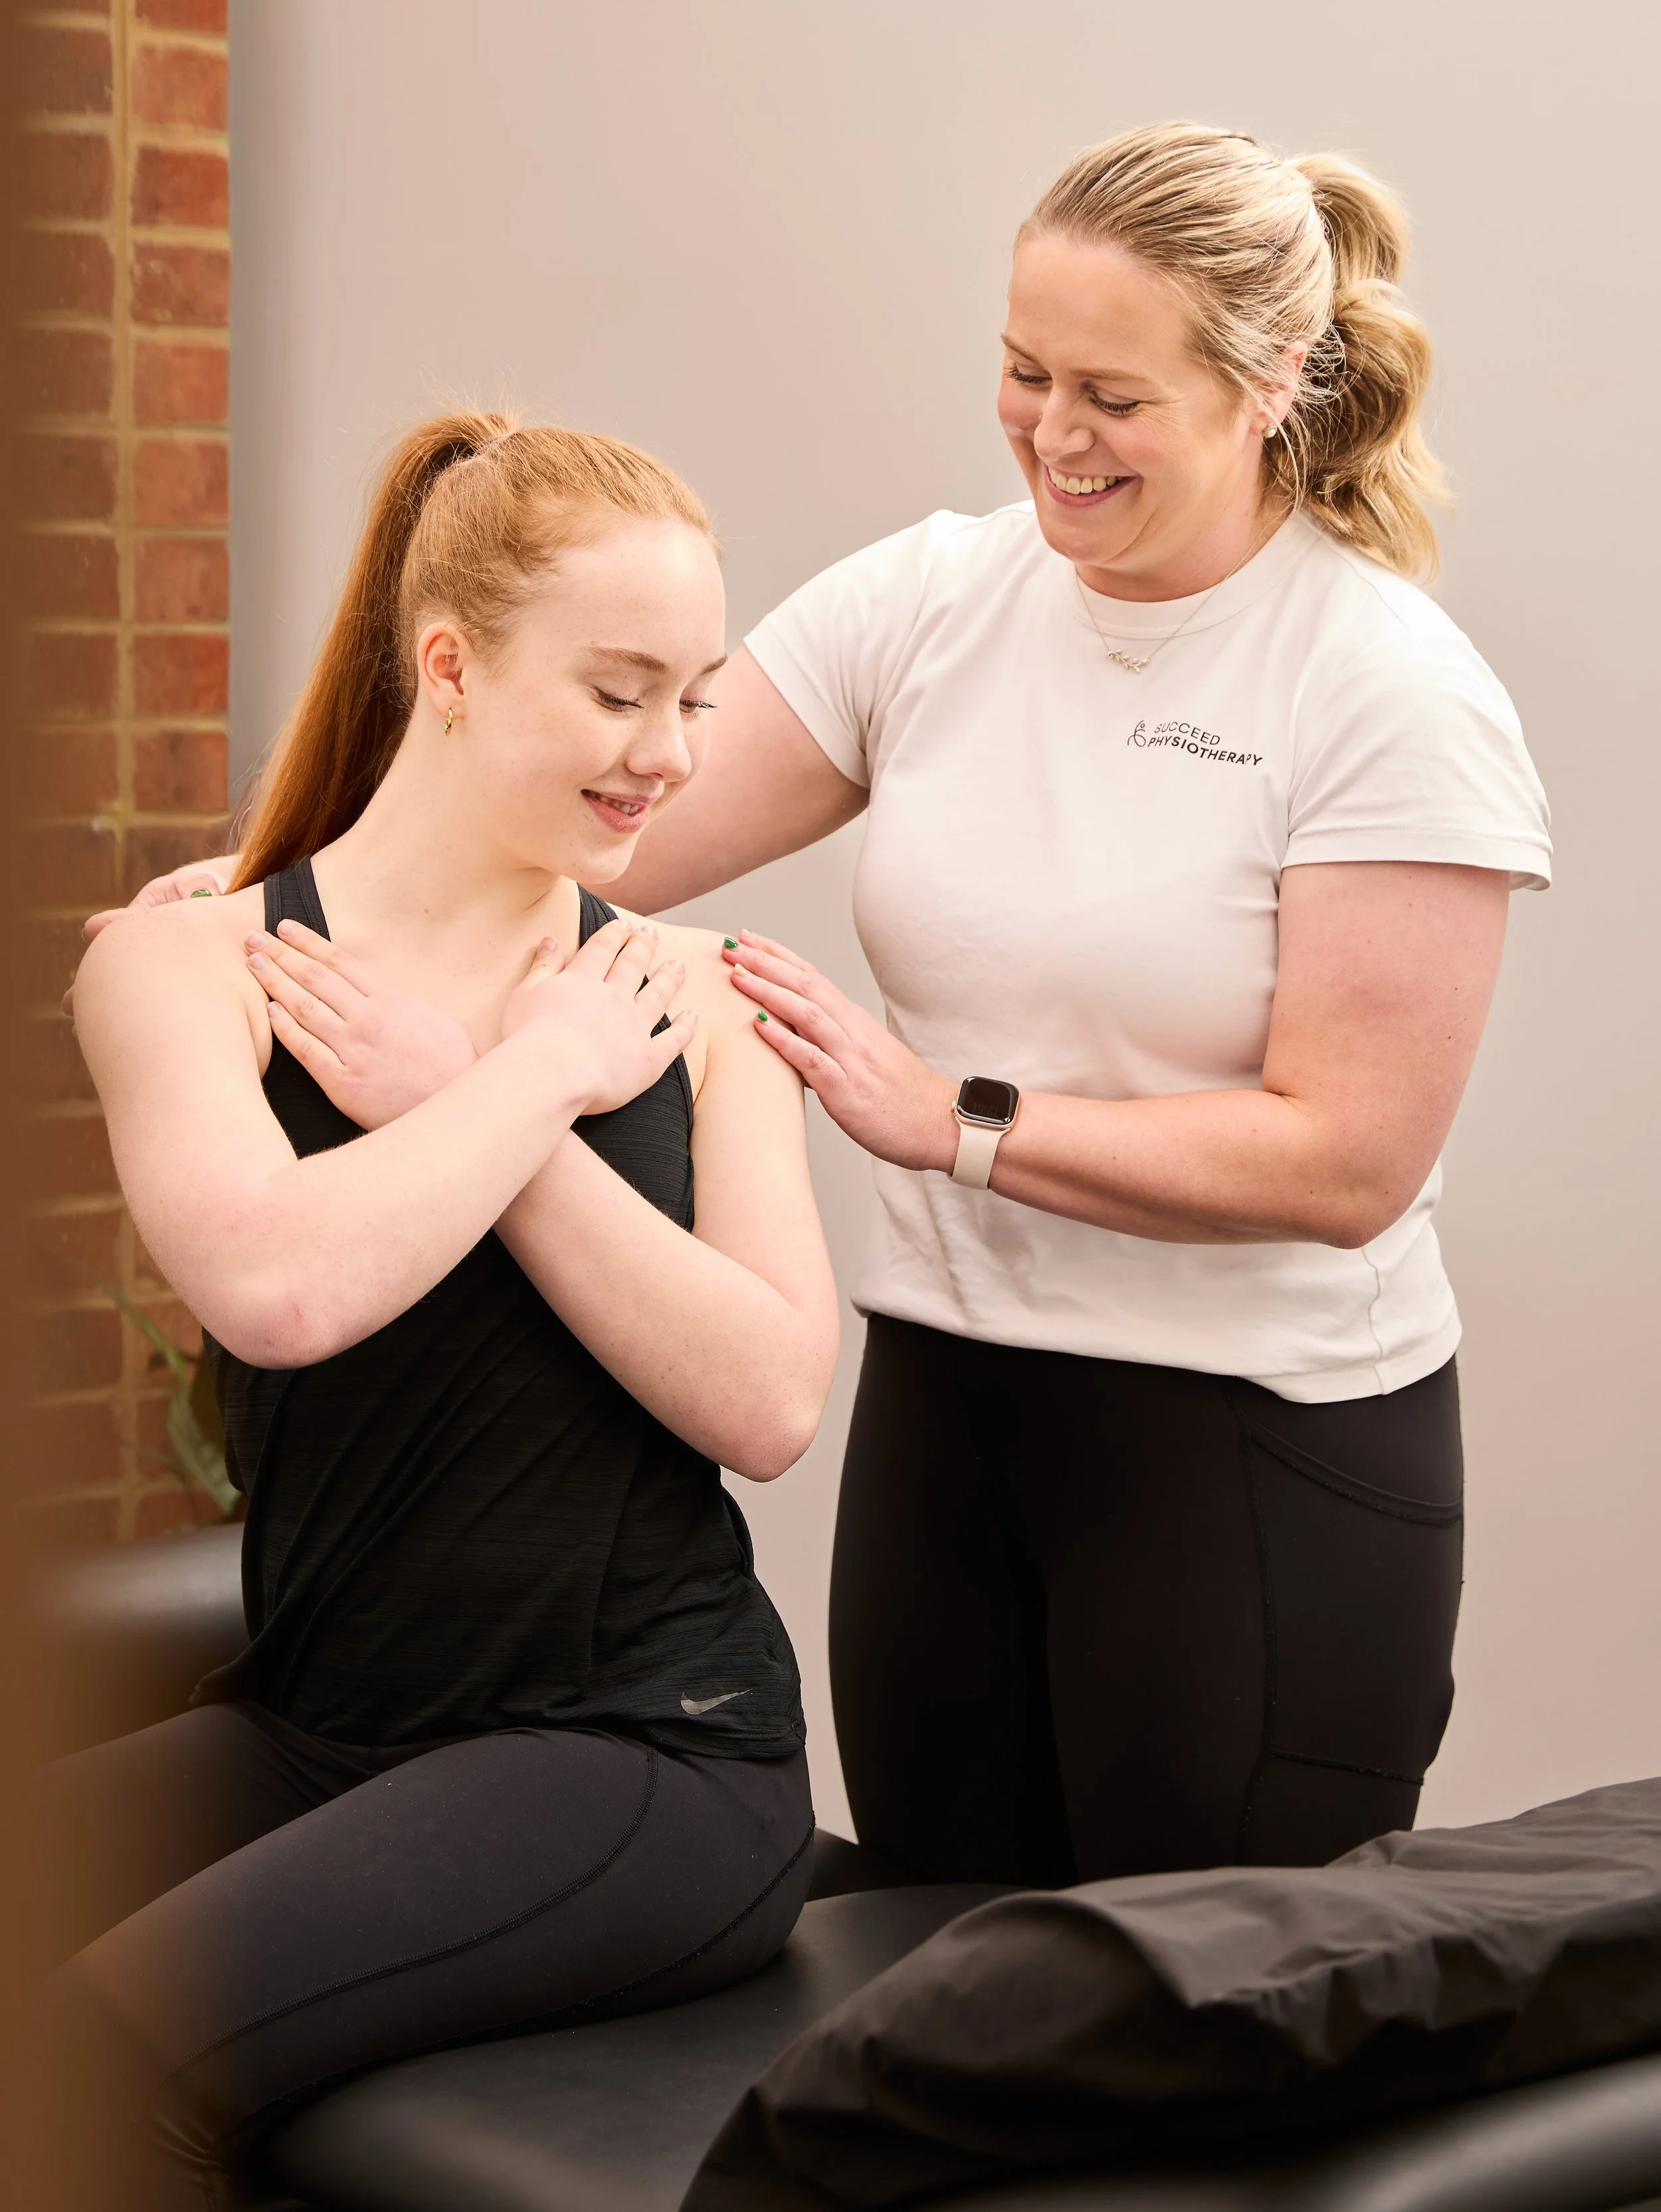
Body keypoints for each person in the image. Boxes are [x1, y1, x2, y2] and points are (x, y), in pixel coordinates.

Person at [119, 124, 1551, 1898]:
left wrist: (950, 1113)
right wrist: (263, 897)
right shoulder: (940, 597)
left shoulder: (1380, 686)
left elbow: (1345, 1156)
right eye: (1022, 372)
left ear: (1269, 389)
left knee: (1199, 2046)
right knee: (935, 1993)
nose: (1047, 431)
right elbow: (596, 818)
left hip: (1245, 1444)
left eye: (1110, 394)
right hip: (953, 1410)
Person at [52, 414, 840, 2208]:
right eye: (621, 692)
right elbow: (275, 1280)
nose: (668, 756)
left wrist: (503, 1098)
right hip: (323, 1727)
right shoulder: (190, 964)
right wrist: (517, 1080)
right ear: (452, 666)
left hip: (645, 1748)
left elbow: (773, 1397)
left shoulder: (692, 997)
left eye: (695, 699)